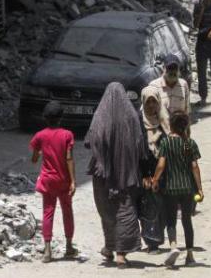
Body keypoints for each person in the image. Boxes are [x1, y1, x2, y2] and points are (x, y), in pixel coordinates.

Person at [85, 83, 147, 268]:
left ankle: (110, 247)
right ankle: (120, 253)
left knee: (107, 211)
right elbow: (140, 144)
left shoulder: (101, 115)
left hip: (103, 174)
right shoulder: (132, 116)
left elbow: (90, 140)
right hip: (127, 173)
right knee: (125, 208)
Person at [152, 111, 204, 268]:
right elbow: (194, 166)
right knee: (187, 220)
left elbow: (161, 165)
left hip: (170, 188)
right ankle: (190, 255)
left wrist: (155, 180)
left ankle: (173, 246)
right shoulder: (189, 143)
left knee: (171, 220)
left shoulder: (166, 142)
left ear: (171, 125)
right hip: (188, 188)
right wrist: (200, 189)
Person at [30, 102, 76, 263]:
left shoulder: (39, 136)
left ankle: (47, 251)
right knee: (67, 211)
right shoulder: (67, 135)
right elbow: (69, 158)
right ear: (61, 117)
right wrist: (73, 181)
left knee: (47, 212)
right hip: (63, 180)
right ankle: (69, 247)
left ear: (45, 118)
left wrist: (41, 151)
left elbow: (34, 160)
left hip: (48, 180)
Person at [139, 88, 169, 252]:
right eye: (148, 101)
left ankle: (159, 236)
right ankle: (151, 242)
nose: (151, 105)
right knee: (147, 207)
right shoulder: (138, 123)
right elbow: (138, 150)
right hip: (145, 172)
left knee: (162, 206)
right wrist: (145, 175)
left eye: (154, 101)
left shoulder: (164, 122)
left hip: (163, 172)